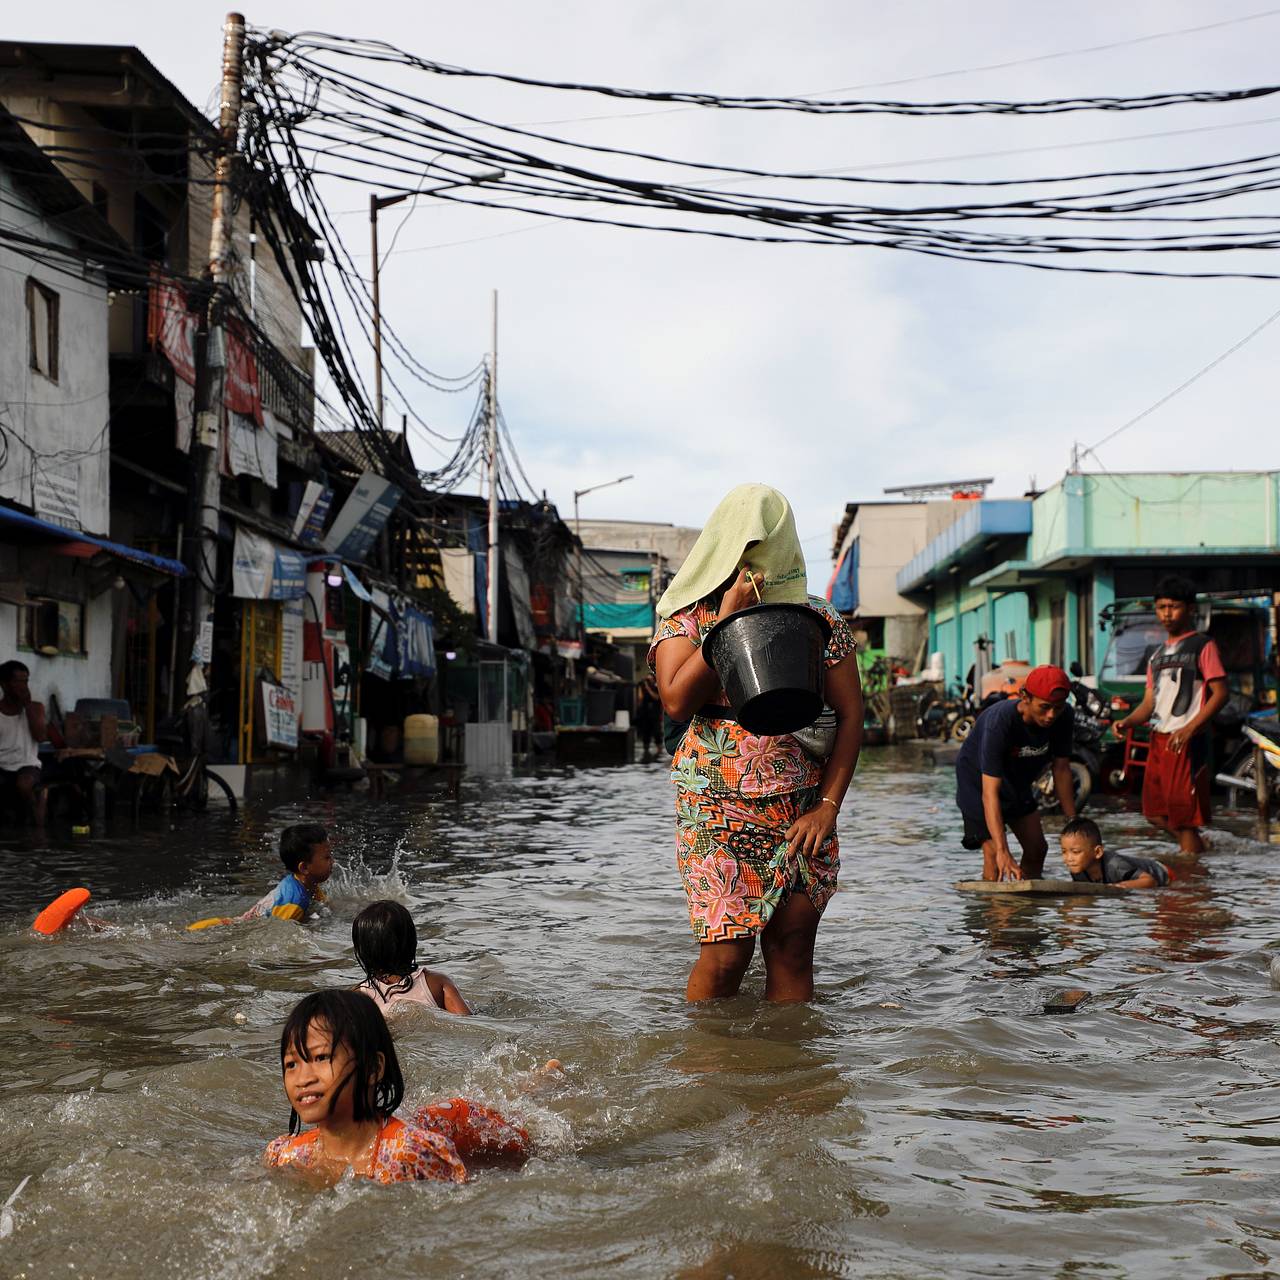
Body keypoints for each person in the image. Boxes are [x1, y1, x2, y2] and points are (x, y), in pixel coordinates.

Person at [650, 483, 863, 1003]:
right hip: (716, 810)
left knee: (791, 948)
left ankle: (789, 1076)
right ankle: (708, 1072)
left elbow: (853, 715)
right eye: (744, 548)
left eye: (765, 547)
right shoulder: (686, 617)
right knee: (725, 958)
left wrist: (828, 808)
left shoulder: (817, 619)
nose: (755, 562)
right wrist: (728, 620)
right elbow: (676, 701)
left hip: (801, 810)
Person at [263, 991, 530, 1184]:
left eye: (321, 1057)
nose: (302, 1078)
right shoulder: (287, 1156)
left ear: (372, 1069)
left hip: (463, 1121)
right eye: (291, 1064)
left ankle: (539, 1081)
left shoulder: (412, 1155)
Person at [1113, 575, 1228, 855]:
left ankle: (1190, 884)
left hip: (1186, 741)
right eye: (1161, 607)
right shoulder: (1157, 654)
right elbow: (1149, 703)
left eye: (1173, 606)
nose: (1166, 613)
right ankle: (1198, 850)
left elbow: (1221, 693)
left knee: (1185, 819)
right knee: (1153, 813)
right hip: (1159, 738)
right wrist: (1127, 722)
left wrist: (1190, 729)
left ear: (1190, 609)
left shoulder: (1203, 645)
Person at [955, 665, 1077, 881]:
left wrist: (1073, 822)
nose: (1051, 715)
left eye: (1058, 708)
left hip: (1016, 782)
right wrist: (1003, 850)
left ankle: (1026, 910)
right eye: (1045, 707)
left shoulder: (1064, 717)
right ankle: (994, 911)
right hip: (978, 784)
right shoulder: (1000, 722)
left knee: (1038, 848)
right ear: (1025, 697)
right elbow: (989, 793)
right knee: (994, 855)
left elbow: (1062, 769)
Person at [187, 824, 333, 930]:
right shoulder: (293, 903)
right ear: (304, 867)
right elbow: (277, 933)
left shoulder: (306, 883)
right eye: (327, 857)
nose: (333, 861)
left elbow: (323, 905)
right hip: (227, 929)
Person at [351, 900, 472, 1015]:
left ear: (362, 949)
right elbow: (467, 1023)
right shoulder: (437, 983)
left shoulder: (357, 997)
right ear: (411, 941)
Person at [1060, 815, 1171, 889]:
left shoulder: (1115, 865)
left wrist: (1118, 887)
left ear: (1098, 852)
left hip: (1163, 873)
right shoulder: (1077, 868)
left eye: (1075, 852)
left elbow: (1150, 881)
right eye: (1064, 852)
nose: (1068, 858)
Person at [0, 660, 48, 826]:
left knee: (25, 784)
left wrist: (27, 706)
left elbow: (41, 737)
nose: (23, 686)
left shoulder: (36, 707)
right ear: (4, 685)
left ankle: (36, 822)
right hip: (2, 765)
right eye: (17, 682)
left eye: (25, 681)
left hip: (27, 765)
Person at [635, 674, 662, 758]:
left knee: (657, 733)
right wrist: (640, 687)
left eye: (649, 680)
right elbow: (640, 699)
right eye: (647, 680)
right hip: (645, 715)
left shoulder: (657, 688)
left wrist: (648, 687)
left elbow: (656, 697)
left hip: (655, 715)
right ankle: (646, 751)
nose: (648, 681)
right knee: (646, 734)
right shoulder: (643, 688)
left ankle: (659, 751)